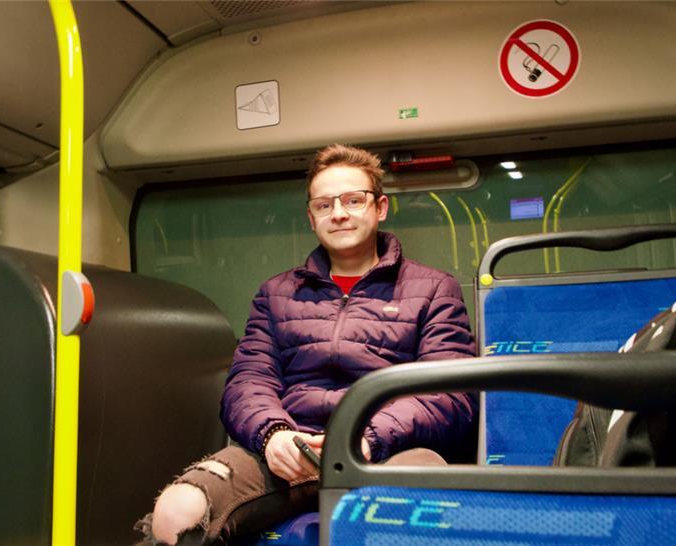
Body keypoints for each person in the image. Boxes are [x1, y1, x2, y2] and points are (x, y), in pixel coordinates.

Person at [137, 144, 476, 545]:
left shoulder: (434, 289)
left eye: (354, 200)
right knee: (175, 512)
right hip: (289, 452)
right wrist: (274, 434)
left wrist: (365, 436)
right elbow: (248, 381)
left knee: (405, 519)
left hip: (387, 451)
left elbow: (450, 395)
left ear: (380, 208)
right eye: (324, 204)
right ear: (311, 217)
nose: (339, 213)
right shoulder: (276, 293)